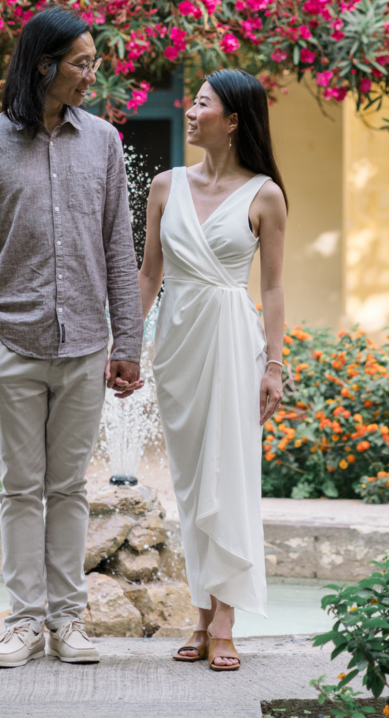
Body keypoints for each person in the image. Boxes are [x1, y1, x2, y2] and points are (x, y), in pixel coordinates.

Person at [0, 6, 144, 669]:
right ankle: (24, 624)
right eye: (82, 63)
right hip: (13, 343)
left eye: (93, 61)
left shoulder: (105, 144)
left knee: (68, 490)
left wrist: (127, 344)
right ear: (45, 66)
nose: (93, 74)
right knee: (19, 489)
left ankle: (68, 622)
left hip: (87, 342)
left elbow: (121, 249)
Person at [138, 69, 287, 673]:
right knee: (193, 482)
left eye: (202, 105)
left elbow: (273, 288)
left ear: (233, 121)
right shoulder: (164, 185)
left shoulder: (265, 195)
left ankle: (222, 620)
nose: (190, 112)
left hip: (231, 338)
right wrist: (125, 343)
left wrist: (274, 365)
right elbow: (148, 274)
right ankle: (201, 612)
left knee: (228, 473)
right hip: (177, 344)